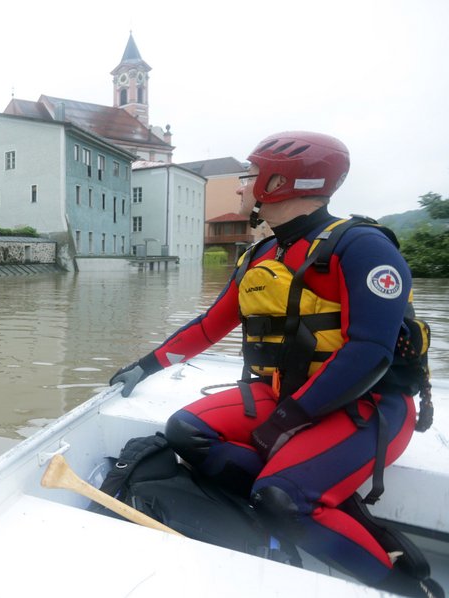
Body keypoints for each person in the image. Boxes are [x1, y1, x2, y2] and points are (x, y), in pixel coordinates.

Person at [110, 131, 440, 597]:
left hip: (369, 407)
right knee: (186, 431)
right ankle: (325, 497)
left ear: (280, 182)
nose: (244, 187)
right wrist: (144, 366)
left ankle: (407, 586)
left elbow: (370, 353)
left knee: (279, 498)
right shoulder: (261, 255)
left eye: (250, 175)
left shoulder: (363, 247)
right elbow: (209, 326)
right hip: (290, 395)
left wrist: (285, 421)